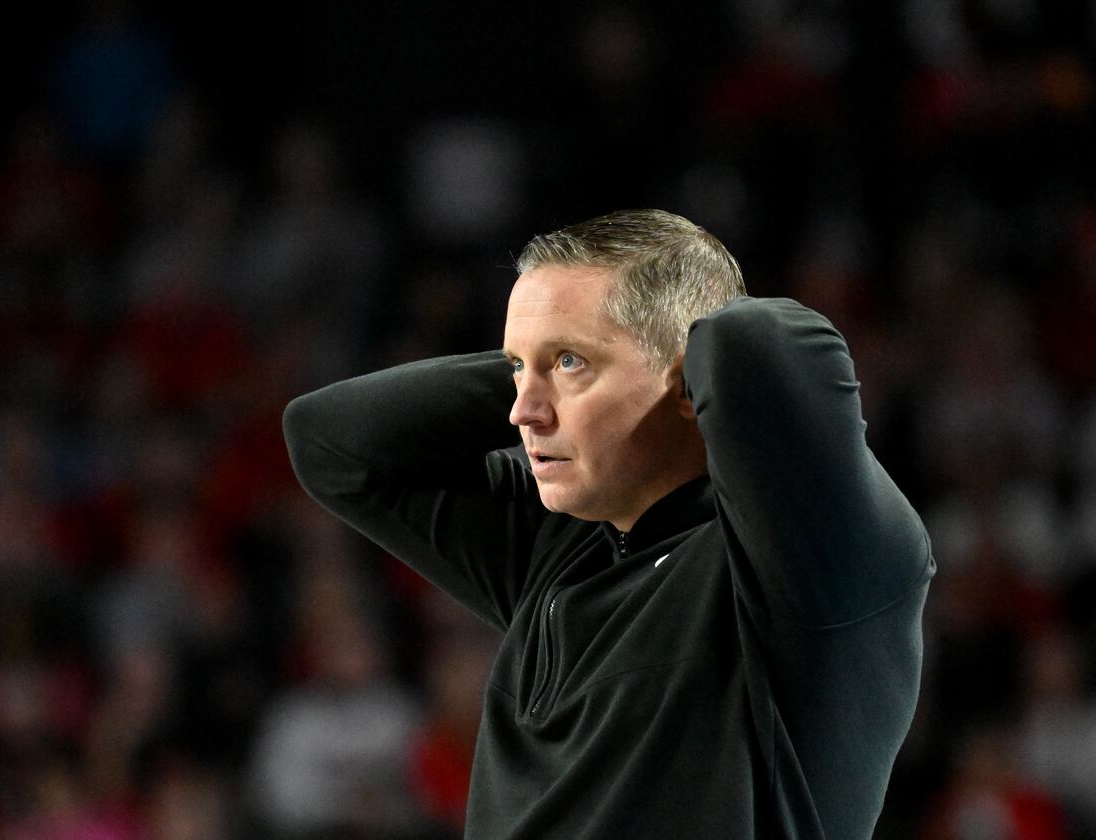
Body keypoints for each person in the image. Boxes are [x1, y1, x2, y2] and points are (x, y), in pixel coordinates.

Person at [283, 209, 934, 839]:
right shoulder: (556, 548)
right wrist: (550, 357)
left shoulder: (808, 567)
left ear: (688, 384)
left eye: (571, 365)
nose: (523, 413)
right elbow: (332, 443)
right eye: (517, 371)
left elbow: (755, 344)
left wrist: (638, 353)